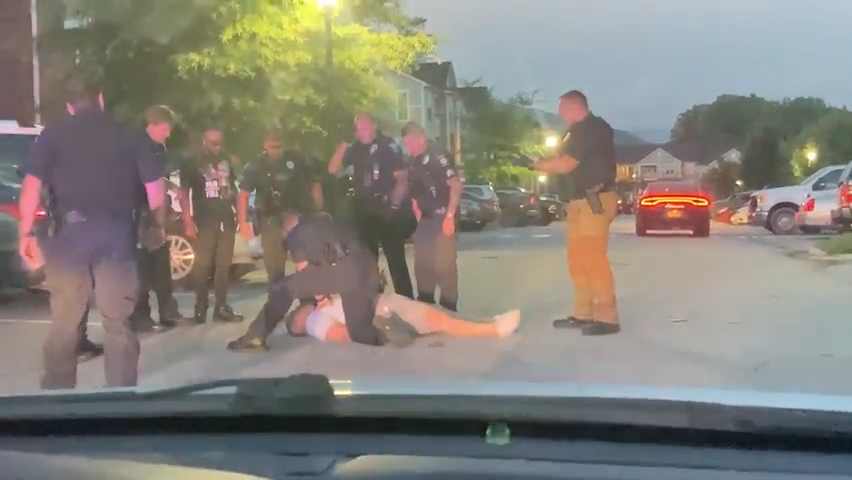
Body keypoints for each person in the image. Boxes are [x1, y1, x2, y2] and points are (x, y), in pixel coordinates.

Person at [17, 70, 167, 389]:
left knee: (65, 322)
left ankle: (57, 402)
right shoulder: (128, 134)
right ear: (101, 99)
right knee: (118, 323)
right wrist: (157, 226)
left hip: (68, 239)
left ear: (70, 106)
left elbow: (31, 187)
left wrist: (26, 235)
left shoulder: (53, 134)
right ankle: (120, 398)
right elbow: (155, 188)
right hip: (116, 236)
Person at [227, 212, 387, 352]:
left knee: (285, 288)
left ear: (286, 228)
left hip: (345, 272)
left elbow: (305, 270)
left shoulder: (296, 235)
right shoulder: (327, 221)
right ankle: (385, 331)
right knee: (359, 331)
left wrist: (320, 298)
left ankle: (255, 335)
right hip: (367, 267)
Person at [531, 90, 620, 336]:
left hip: (595, 201)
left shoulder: (593, 128)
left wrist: (534, 164)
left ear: (575, 106)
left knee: (593, 259)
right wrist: (542, 160)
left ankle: (608, 318)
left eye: (562, 108)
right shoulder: (574, 131)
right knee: (578, 261)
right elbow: (562, 159)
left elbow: (567, 164)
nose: (559, 114)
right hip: (578, 202)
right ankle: (583, 314)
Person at [327, 113, 413, 298]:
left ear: (374, 126)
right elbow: (332, 170)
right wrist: (341, 149)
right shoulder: (355, 149)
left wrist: (394, 205)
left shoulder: (388, 145)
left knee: (395, 258)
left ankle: (406, 300)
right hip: (363, 208)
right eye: (358, 128)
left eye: (365, 127)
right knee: (367, 260)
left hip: (386, 205)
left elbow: (402, 179)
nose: (361, 131)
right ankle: (373, 300)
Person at [130, 105, 188, 332]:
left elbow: (158, 177)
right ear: (151, 125)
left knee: (162, 263)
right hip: (141, 212)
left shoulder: (157, 148)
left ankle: (167, 311)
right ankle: (140, 315)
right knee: (143, 267)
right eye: (165, 128)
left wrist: (171, 188)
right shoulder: (140, 146)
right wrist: (157, 216)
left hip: (153, 211)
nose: (168, 133)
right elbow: (146, 182)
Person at [177, 126, 243, 324]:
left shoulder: (227, 159)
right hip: (204, 218)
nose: (216, 146)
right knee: (202, 265)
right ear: (204, 140)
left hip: (226, 217)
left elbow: (234, 188)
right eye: (212, 142)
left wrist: (240, 216)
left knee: (224, 264)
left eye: (219, 142)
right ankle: (200, 307)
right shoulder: (192, 161)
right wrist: (188, 221)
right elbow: (183, 192)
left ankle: (221, 307)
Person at [238, 130, 323, 280]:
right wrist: (243, 221)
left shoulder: (297, 160)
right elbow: (244, 193)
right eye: (272, 146)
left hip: (295, 216)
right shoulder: (257, 165)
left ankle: (308, 297)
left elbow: (314, 183)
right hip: (269, 218)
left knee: (304, 261)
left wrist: (316, 210)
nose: (275, 150)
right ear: (265, 145)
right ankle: (278, 295)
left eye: (279, 146)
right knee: (274, 266)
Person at [285, 292, 520, 344]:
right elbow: (341, 334)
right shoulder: (312, 322)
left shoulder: (319, 310)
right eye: (298, 311)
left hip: (381, 306)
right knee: (438, 320)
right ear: (298, 323)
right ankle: (495, 329)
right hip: (381, 311)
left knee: (438, 316)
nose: (301, 306)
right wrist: (381, 328)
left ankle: (489, 322)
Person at [401, 122, 462, 311]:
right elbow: (413, 191)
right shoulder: (410, 161)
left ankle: (449, 306)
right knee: (423, 265)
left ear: (421, 137)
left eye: (411, 142)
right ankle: (426, 304)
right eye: (406, 144)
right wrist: (417, 213)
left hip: (443, 216)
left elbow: (456, 185)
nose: (409, 148)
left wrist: (450, 216)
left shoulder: (438, 155)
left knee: (444, 265)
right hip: (425, 220)